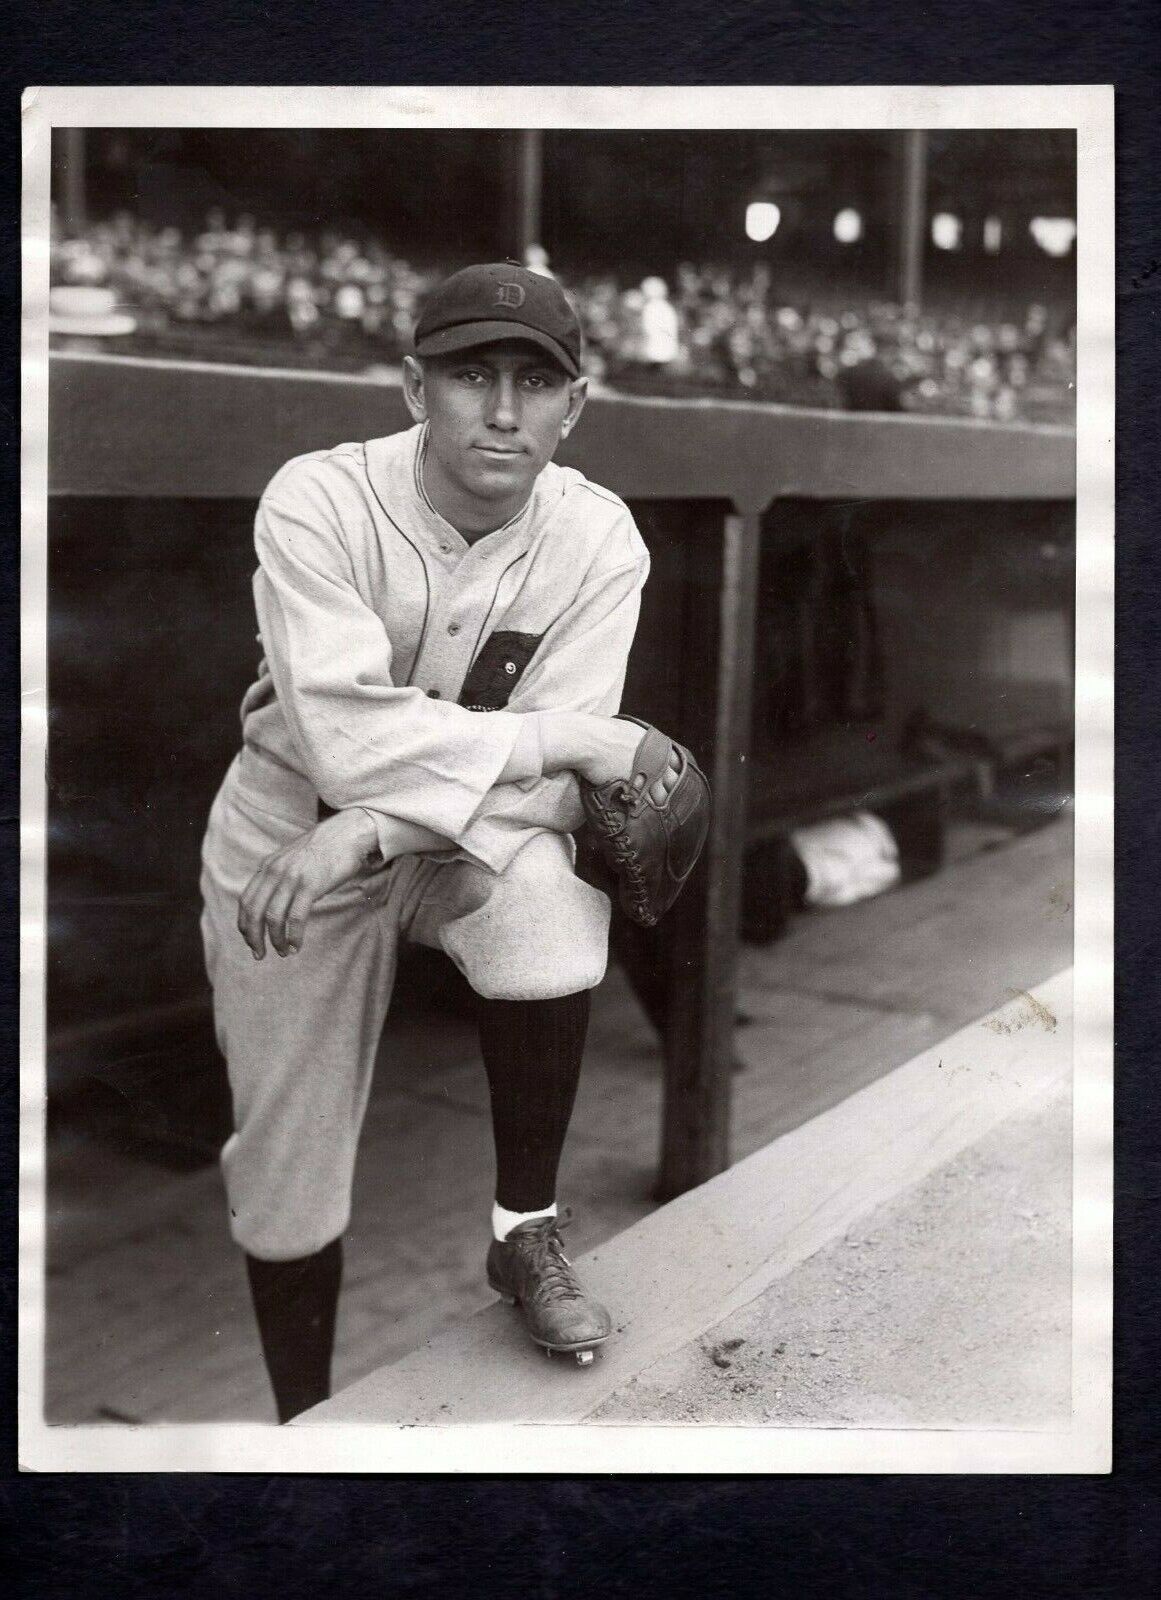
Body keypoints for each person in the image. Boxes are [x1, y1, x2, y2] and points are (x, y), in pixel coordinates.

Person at [200, 261, 685, 1420]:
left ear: (578, 404)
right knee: (285, 1180)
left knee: (553, 915)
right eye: (473, 375)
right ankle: (301, 1426)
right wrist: (562, 736)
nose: (505, 411)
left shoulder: (599, 537)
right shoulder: (315, 499)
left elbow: (551, 787)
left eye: (536, 381)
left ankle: (524, 1232)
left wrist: (373, 827)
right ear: (414, 387)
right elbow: (346, 742)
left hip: (412, 842)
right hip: (284, 837)